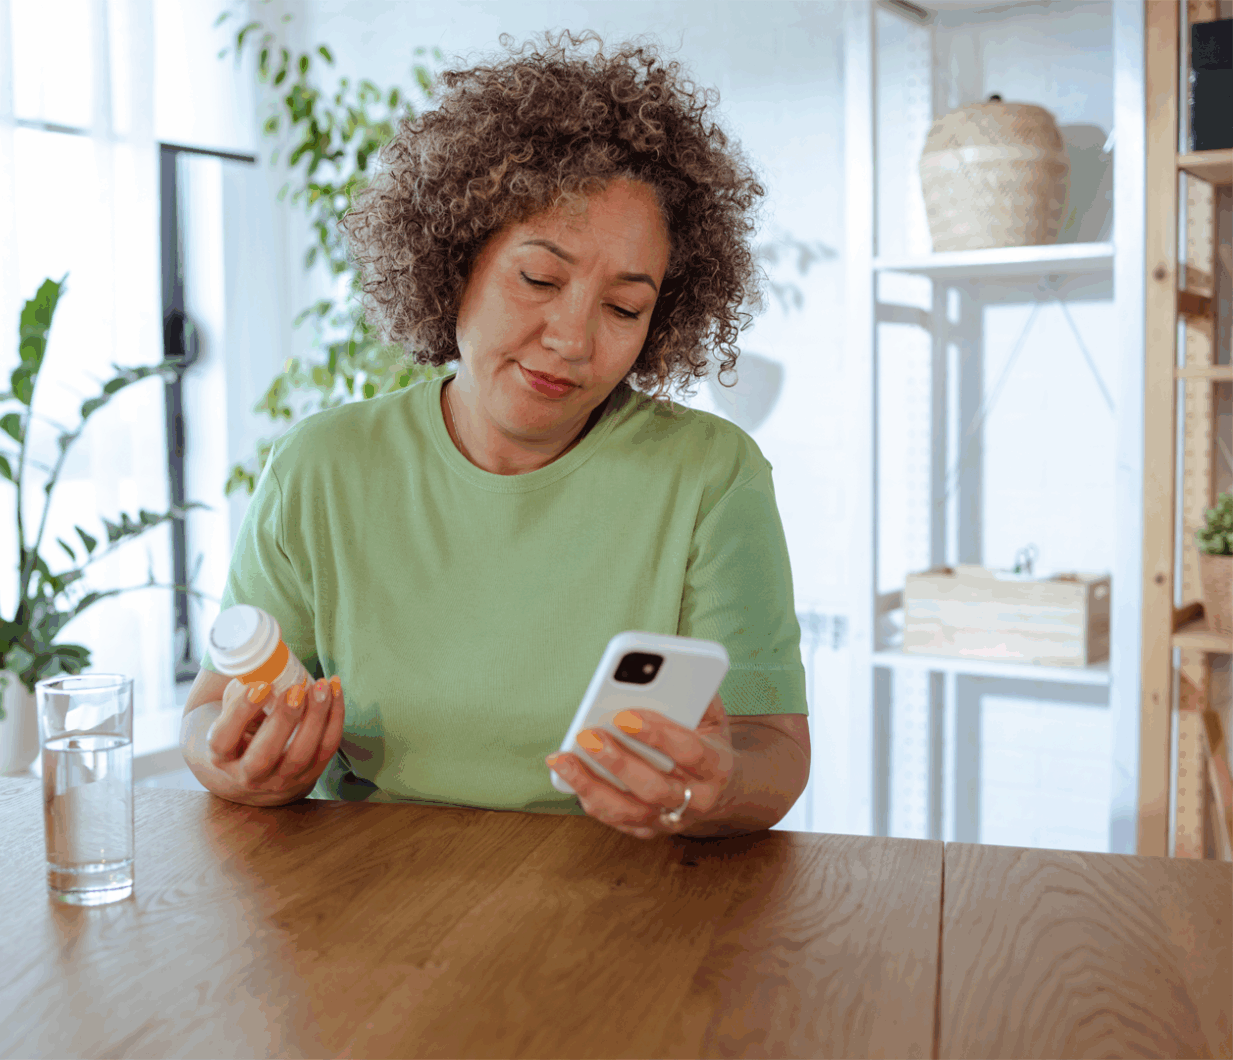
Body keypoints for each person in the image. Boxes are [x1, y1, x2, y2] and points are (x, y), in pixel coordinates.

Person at [178, 31, 810, 840]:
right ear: (455, 261)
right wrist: (231, 762)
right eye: (539, 279)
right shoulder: (323, 465)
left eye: (624, 307)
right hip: (366, 908)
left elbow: (773, 747)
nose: (574, 339)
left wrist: (715, 789)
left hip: (627, 898)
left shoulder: (711, 475)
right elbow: (207, 714)